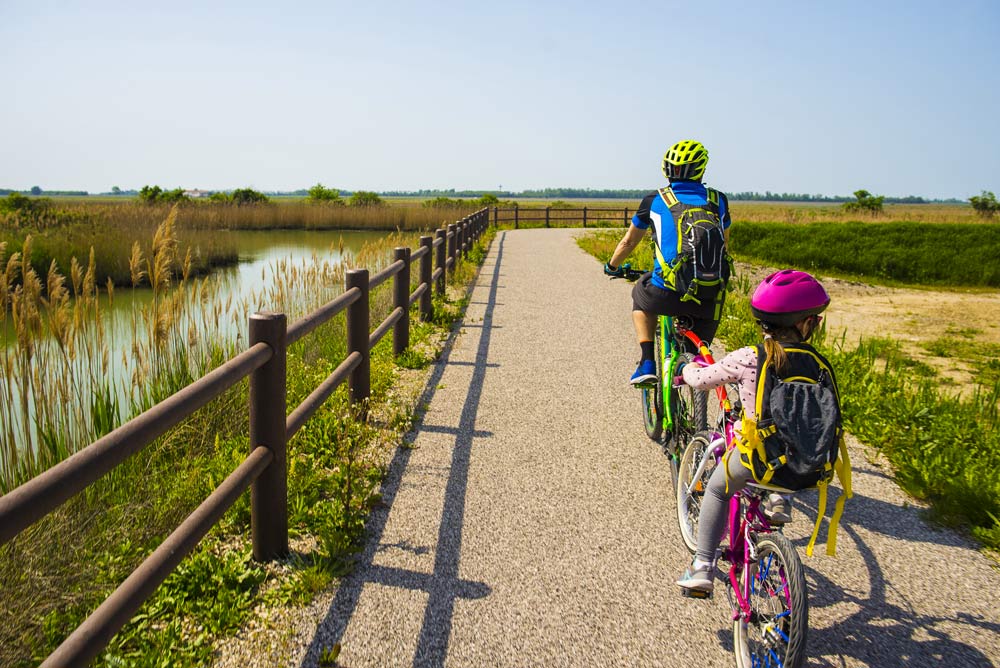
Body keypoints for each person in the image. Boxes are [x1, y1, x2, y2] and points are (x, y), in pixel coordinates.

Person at [674, 269, 843, 595]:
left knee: (717, 488)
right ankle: (778, 498)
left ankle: (703, 566)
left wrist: (685, 369)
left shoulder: (750, 358)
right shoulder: (819, 364)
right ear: (805, 324)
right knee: (782, 456)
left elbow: (701, 381)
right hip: (808, 465)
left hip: (757, 459)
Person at [604, 139, 732, 386]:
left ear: (666, 168)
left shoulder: (655, 199)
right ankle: (691, 378)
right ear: (701, 169)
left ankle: (646, 362)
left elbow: (629, 242)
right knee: (695, 355)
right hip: (710, 297)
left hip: (666, 293)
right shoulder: (719, 200)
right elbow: (725, 247)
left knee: (640, 292)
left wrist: (611, 266)